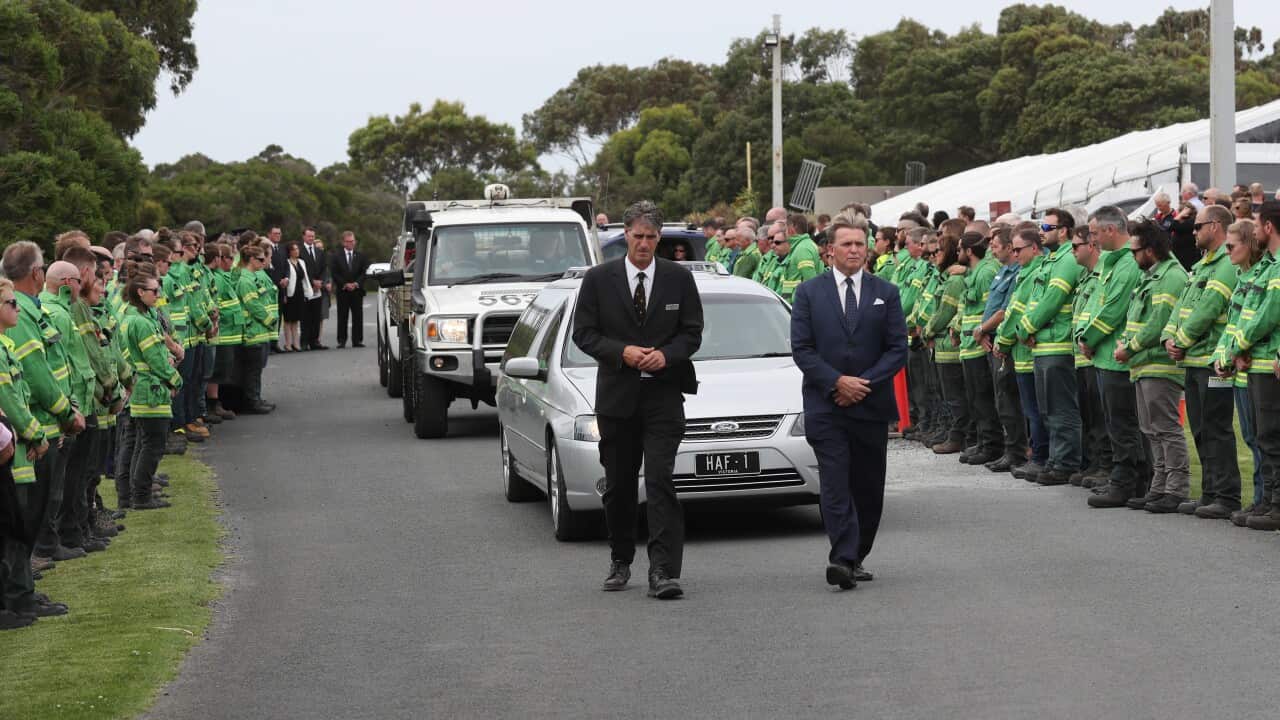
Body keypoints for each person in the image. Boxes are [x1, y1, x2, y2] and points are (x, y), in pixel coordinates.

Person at [571, 200, 703, 600]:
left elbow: (692, 332)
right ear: (625, 235)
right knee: (620, 484)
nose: (644, 243)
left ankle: (663, 570)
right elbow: (585, 333)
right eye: (637, 236)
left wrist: (668, 355)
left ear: (659, 238)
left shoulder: (678, 279)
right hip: (618, 397)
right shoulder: (598, 279)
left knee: (661, 479)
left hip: (664, 395)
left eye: (651, 237)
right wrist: (622, 352)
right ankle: (621, 558)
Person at [790, 213, 907, 589]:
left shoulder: (885, 293)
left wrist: (863, 383)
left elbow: (897, 349)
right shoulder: (808, 293)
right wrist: (837, 382)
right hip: (826, 404)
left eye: (860, 243)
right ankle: (841, 557)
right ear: (829, 251)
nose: (854, 250)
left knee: (868, 488)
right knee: (836, 483)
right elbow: (803, 350)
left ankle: (857, 555)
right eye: (846, 244)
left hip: (870, 405)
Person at [1163, 203, 1241, 518]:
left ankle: (1227, 496)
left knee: (1217, 427)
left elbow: (1208, 309)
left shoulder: (1224, 264)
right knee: (1200, 429)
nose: (1193, 232)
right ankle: (1210, 492)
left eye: (1198, 226)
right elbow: (1181, 305)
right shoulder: (1202, 265)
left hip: (1213, 361)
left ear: (1216, 226)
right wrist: (1168, 337)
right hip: (1194, 361)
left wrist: (1180, 340)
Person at [1115, 221, 1189, 512]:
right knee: (1151, 429)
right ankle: (1159, 487)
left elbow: (1159, 322)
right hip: (1143, 365)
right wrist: (1128, 344)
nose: (1133, 257)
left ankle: (1176, 488)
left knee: (1166, 429)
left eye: (1135, 251)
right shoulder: (1151, 276)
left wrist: (1130, 347)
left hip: (1159, 364)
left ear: (1150, 250)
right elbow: (1136, 320)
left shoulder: (1170, 277)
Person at [1077, 207, 1147, 508]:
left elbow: (1113, 310)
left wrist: (1089, 338)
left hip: (1117, 358)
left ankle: (1126, 482)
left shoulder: (1128, 265)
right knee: (1113, 423)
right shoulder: (1108, 261)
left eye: (1094, 233)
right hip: (1102, 356)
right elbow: (1093, 303)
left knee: (1123, 425)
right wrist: (1084, 335)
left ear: (1109, 230)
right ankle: (1126, 479)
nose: (1091, 240)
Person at [1218, 201, 1280, 530]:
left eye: (1257, 225)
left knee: (1270, 438)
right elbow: (1246, 316)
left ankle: (1275, 504)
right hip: (1255, 363)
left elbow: (1268, 314)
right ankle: (1267, 500)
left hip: (1267, 362)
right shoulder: (1268, 266)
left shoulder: (1277, 266)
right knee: (1263, 438)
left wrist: (1238, 346)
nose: (1254, 230)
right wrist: (1233, 351)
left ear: (1269, 227)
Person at [0, 276, 54, 625]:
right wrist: (35, 435)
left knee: (19, 528)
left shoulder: (5, 345)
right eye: (10, 303)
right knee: (13, 529)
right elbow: (9, 404)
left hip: (16, 451)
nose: (18, 308)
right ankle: (17, 599)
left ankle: (23, 594)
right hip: (12, 451)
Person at [1016, 209, 1083, 485]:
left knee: (1061, 410)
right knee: (1048, 411)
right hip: (1043, 345)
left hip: (1057, 345)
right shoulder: (1051, 260)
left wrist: (1026, 327)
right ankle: (1055, 460)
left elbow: (1052, 300)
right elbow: (1034, 300)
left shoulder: (1067, 259)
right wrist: (1027, 328)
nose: (1041, 230)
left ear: (1064, 231)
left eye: (1047, 226)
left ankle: (1065, 463)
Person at [1211, 220, 1267, 524]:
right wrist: (1223, 358)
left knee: (1262, 440)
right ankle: (1260, 500)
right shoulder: (1242, 277)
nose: (1227, 251)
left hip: (1255, 370)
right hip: (1240, 371)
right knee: (1250, 437)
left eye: (1231, 246)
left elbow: (1257, 324)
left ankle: (1264, 500)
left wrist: (1233, 354)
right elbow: (1229, 328)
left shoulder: (1259, 276)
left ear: (1249, 245)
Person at [120, 265, 180, 510]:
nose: (158, 295)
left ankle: (138, 494)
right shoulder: (141, 323)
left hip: (144, 389)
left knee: (143, 444)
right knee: (152, 446)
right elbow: (155, 359)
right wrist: (175, 379)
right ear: (140, 293)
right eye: (155, 291)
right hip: (150, 391)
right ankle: (142, 496)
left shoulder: (140, 317)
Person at [995, 227, 1050, 478]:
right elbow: (1011, 311)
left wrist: (1002, 341)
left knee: (1035, 411)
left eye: (1019, 249)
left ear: (1035, 248)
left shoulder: (1034, 272)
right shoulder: (1025, 272)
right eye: (1013, 249)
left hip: (1028, 352)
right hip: (1021, 352)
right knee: (1031, 410)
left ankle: (1039, 457)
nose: (1015, 254)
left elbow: (1018, 313)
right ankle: (1037, 455)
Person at [974, 225, 1028, 473]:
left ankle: (1016, 452)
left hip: (1004, 344)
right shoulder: (1002, 272)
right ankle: (1010, 449)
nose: (992, 249)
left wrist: (984, 329)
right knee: (1000, 400)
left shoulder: (1017, 273)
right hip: (992, 340)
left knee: (1008, 400)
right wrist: (983, 331)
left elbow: (1005, 311)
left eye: (996, 245)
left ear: (1009, 247)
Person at [1068, 226, 1112, 487]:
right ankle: (1096, 463)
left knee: (1101, 416)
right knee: (1090, 416)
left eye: (1076, 246)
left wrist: (1089, 340)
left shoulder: (1102, 275)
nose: (1072, 251)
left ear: (1091, 246)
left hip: (1096, 356)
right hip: (1081, 356)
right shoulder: (1086, 277)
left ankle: (1105, 466)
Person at [923, 232, 967, 454]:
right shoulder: (947, 278)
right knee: (947, 396)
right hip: (941, 347)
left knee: (955, 398)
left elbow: (944, 312)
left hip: (950, 348)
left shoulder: (955, 280)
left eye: (937, 251)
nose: (933, 256)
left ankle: (958, 436)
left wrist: (928, 330)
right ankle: (951, 432)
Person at [236, 246, 277, 414]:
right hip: (252, 331)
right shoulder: (245, 280)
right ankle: (252, 401)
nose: (263, 262)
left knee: (257, 369)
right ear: (251, 260)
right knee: (252, 370)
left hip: (259, 331)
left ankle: (257, 398)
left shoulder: (253, 277)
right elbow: (253, 305)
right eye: (260, 259)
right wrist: (269, 320)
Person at [331, 231, 369, 348]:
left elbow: (364, 272)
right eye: (348, 241)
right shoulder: (336, 256)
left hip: (357, 291)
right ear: (343, 242)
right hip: (343, 291)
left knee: (358, 316)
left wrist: (356, 283)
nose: (351, 243)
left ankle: (357, 340)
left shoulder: (361, 256)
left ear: (355, 241)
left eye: (352, 241)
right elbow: (335, 273)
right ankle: (341, 340)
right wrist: (345, 284)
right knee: (342, 316)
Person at [297, 228, 327, 350]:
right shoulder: (299, 251)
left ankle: (315, 341)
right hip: (306, 287)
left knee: (316, 316)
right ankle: (304, 342)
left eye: (313, 236)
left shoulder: (319, 251)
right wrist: (311, 282)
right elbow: (301, 268)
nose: (311, 238)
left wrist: (320, 282)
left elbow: (324, 267)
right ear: (304, 237)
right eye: (309, 236)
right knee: (305, 316)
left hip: (318, 288)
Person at [281, 242, 314, 352]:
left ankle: (296, 343)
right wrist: (284, 294)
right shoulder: (286, 262)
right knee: (288, 319)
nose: (297, 251)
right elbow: (285, 278)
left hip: (299, 292)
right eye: (294, 249)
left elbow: (305, 278)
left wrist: (307, 292)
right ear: (289, 252)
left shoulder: (301, 262)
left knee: (296, 319)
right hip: (290, 293)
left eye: (297, 249)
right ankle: (288, 344)